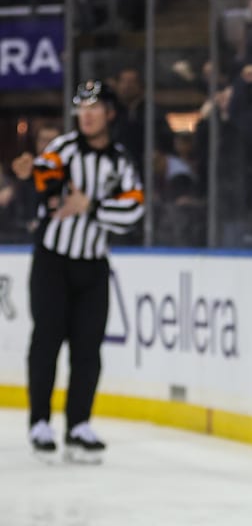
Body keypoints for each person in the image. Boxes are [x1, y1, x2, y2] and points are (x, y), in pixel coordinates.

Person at [26, 80, 145, 462]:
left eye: (94, 108)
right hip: (53, 263)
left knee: (88, 348)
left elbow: (134, 209)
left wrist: (91, 207)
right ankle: (40, 422)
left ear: (109, 113)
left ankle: (78, 424)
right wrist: (61, 195)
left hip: (93, 266)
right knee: (47, 341)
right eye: (81, 108)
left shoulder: (120, 159)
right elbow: (46, 188)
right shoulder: (61, 149)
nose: (87, 115)